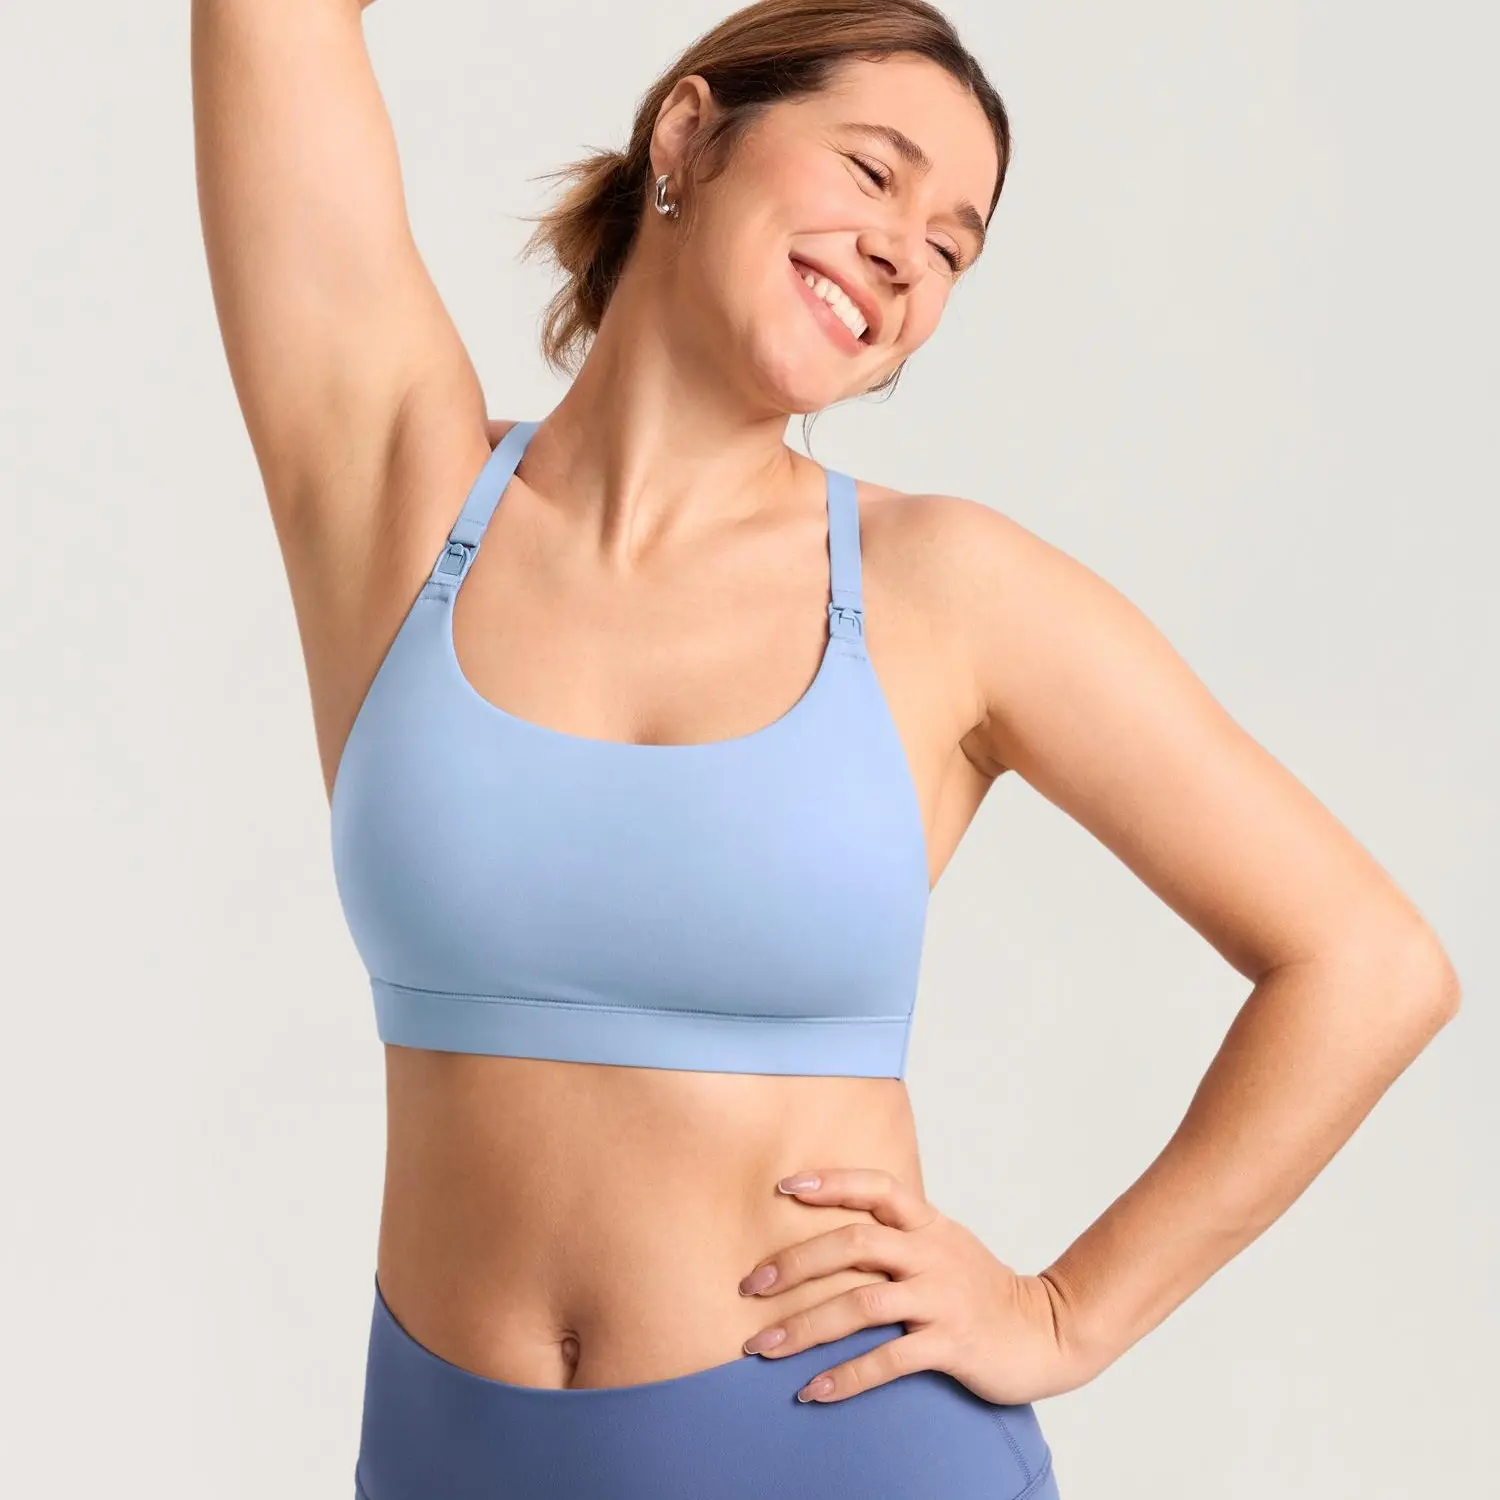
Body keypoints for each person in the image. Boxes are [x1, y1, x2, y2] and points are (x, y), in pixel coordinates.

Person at [190, 1, 1461, 1496]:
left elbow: (1369, 965)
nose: (906, 253)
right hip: (448, 1456)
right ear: (687, 135)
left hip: (842, 1450)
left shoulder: (946, 590)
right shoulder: (397, 492)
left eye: (953, 248)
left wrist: (1068, 1313)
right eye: (873, 172)